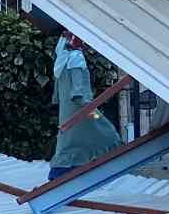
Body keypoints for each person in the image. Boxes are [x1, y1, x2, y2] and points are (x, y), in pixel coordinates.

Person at [48, 34, 122, 181]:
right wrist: (91, 110)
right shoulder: (76, 58)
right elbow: (78, 91)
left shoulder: (61, 62)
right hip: (82, 108)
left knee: (69, 140)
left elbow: (57, 94)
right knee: (105, 130)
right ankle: (115, 154)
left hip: (68, 110)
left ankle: (59, 171)